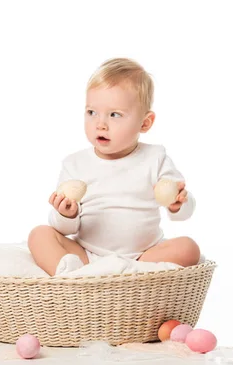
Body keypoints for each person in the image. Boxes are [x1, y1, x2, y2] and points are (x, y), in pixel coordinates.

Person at [28, 58, 201, 276]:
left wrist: (178, 204)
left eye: (114, 115)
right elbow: (64, 229)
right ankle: (73, 277)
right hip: (86, 254)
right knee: (40, 235)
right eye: (92, 112)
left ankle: (127, 274)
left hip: (143, 255)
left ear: (145, 123)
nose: (100, 123)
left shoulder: (155, 158)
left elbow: (184, 211)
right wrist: (66, 214)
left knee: (188, 248)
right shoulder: (75, 164)